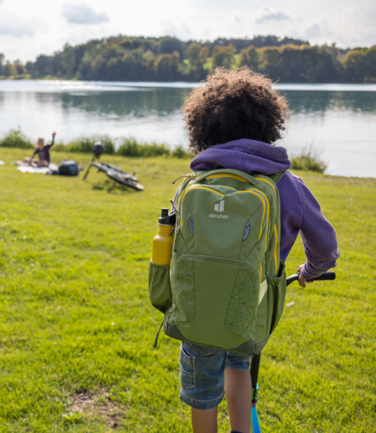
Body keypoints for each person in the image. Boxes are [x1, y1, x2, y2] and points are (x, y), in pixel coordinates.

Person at [175, 67, 339, 433]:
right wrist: (309, 271)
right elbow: (326, 249)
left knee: (203, 389)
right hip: (254, 305)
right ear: (268, 124)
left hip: (198, 307)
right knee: (238, 364)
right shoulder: (287, 184)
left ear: (204, 127)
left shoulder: (196, 182)